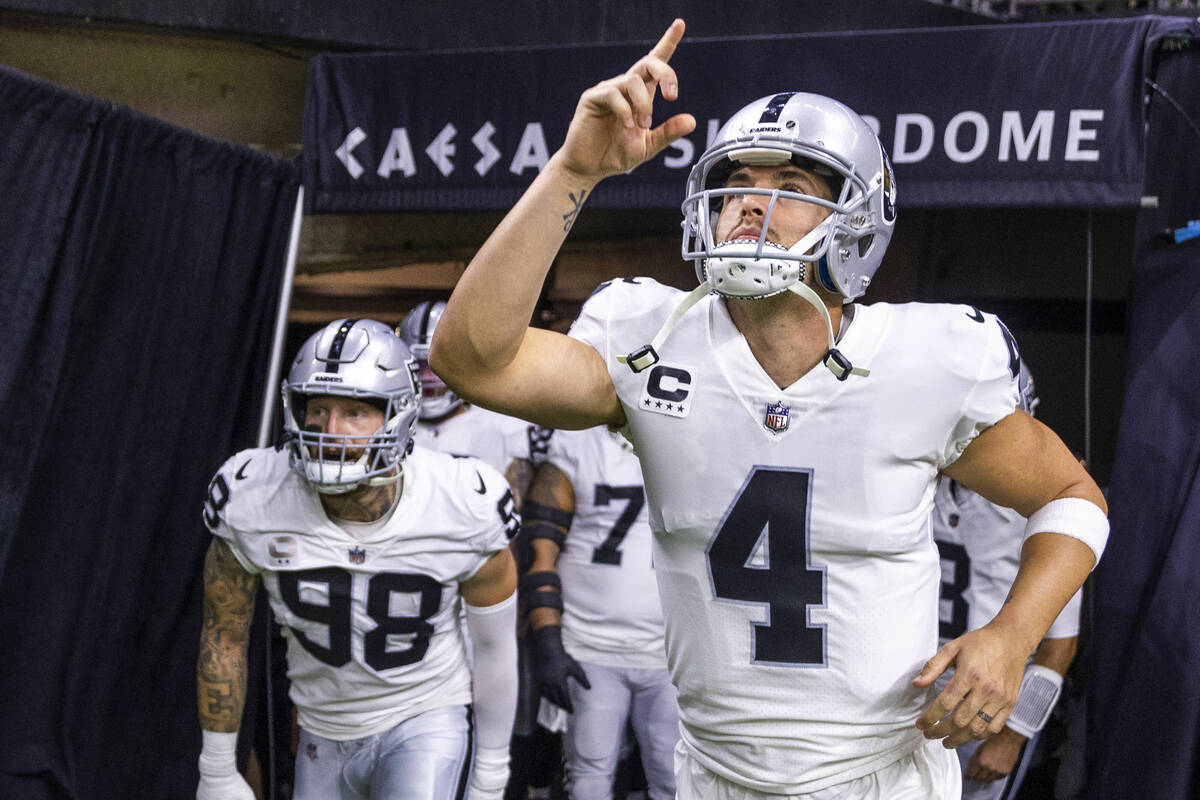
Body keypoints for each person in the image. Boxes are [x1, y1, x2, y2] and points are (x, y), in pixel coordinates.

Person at [428, 19, 1108, 798]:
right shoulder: (650, 340)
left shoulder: (927, 359)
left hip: (877, 778)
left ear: (857, 221)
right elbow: (471, 361)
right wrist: (573, 171)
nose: (753, 204)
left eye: (790, 188)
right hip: (714, 773)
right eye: (740, 182)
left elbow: (1072, 497)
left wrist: (1012, 636)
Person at [196, 318, 519, 800]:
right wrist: (216, 768)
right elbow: (224, 636)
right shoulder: (254, 495)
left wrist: (491, 776)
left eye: (354, 412)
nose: (330, 430)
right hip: (322, 726)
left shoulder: (460, 503)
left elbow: (494, 648)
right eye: (318, 407)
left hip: (424, 715)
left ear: (400, 417)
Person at [932, 361, 1081, 799]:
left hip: (987, 698)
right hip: (911, 687)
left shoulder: (1052, 498)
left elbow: (1060, 646)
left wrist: (1012, 737)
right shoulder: (918, 479)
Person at [519, 424, 678, 800]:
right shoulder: (576, 441)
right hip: (590, 648)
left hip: (672, 652)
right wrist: (548, 643)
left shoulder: (693, 438)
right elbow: (538, 550)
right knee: (588, 780)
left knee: (676, 781)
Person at [399, 300, 534, 506]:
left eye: (437, 364)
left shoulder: (504, 425)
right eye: (420, 364)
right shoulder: (392, 422)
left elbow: (512, 516)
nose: (427, 377)